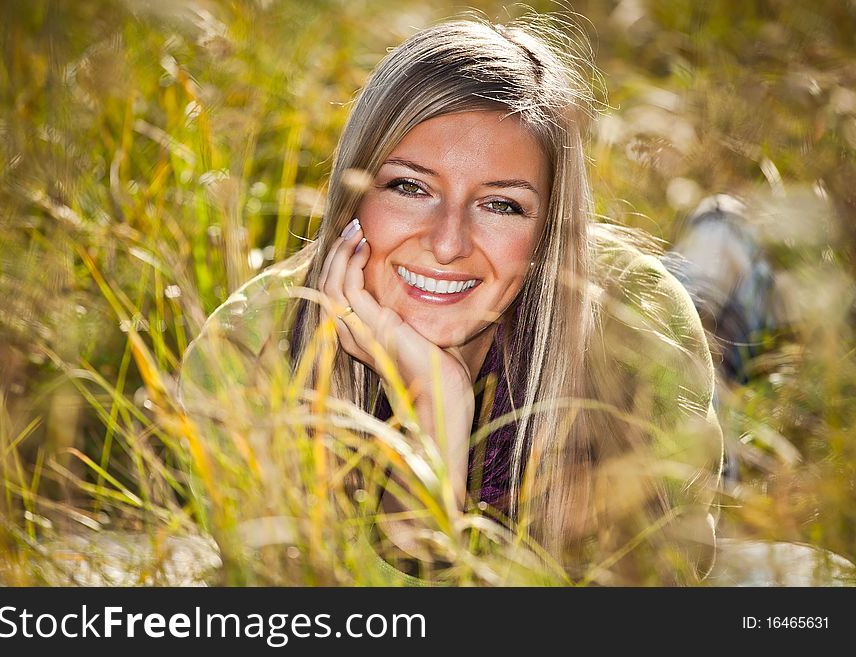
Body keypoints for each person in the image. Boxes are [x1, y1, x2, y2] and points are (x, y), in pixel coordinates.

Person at [178, 17, 723, 586]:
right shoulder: (244, 355)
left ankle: (725, 253)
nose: (446, 244)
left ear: (547, 233)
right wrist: (435, 410)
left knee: (717, 301)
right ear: (352, 194)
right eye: (410, 188)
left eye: (501, 205)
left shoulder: (639, 320)